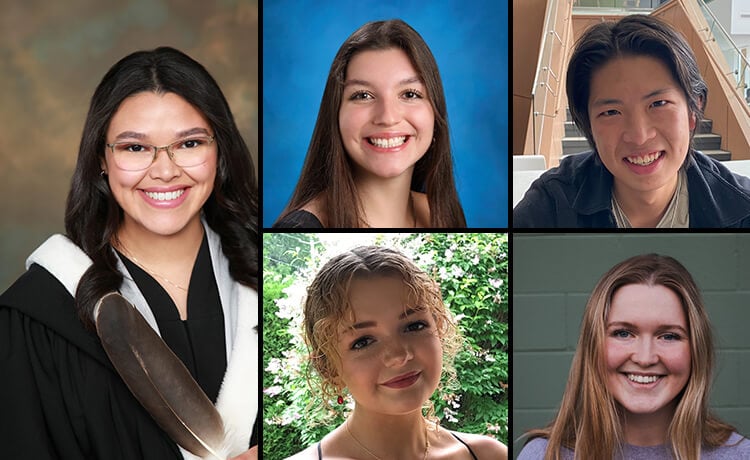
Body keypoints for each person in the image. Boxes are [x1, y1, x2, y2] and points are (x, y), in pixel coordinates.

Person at [0, 47, 259, 459]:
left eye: (189, 143)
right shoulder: (38, 316)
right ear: (101, 159)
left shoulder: (269, 272)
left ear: (219, 151)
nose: (165, 170)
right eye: (135, 148)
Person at [513, 15, 750, 228]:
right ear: (588, 124)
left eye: (658, 104)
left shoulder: (742, 209)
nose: (639, 136)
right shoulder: (550, 207)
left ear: (693, 109)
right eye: (611, 112)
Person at [517, 254, 750, 459]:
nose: (645, 358)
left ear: (696, 349)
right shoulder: (544, 455)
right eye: (623, 333)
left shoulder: (740, 455)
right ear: (593, 345)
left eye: (668, 336)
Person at [286, 245, 506, 459]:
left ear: (438, 328)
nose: (399, 356)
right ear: (328, 368)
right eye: (363, 342)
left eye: (414, 326)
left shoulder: (489, 455)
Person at [273, 19, 466, 228]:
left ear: (435, 113)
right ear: (336, 114)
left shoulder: (442, 215)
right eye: (363, 95)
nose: (388, 117)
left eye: (410, 94)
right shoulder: (300, 228)